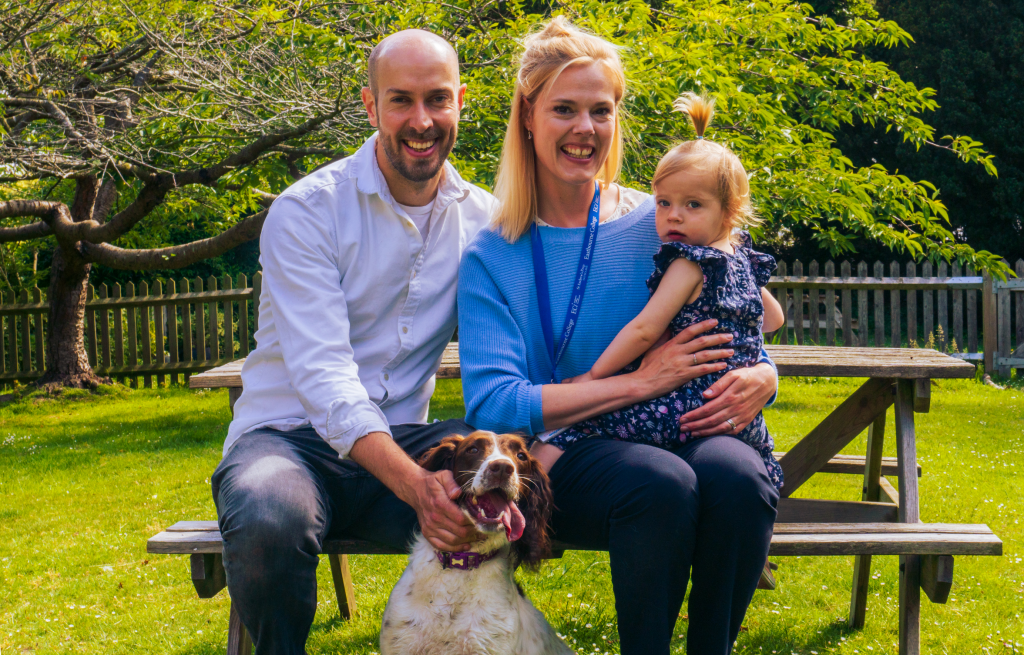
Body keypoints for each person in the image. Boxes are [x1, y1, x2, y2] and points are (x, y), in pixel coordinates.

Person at [457, 17, 780, 655]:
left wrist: (765, 376)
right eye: (565, 110)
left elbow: (742, 313)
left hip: (683, 421)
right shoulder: (492, 255)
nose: (585, 130)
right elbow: (494, 405)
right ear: (528, 116)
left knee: (739, 480)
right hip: (568, 452)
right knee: (661, 484)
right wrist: (637, 381)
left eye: (600, 111)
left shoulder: (664, 218)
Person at [211, 30, 496, 654]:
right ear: (370, 106)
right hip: (288, 440)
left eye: (437, 100)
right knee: (269, 517)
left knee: (498, 478)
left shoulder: (485, 220)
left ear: (460, 103)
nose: (420, 122)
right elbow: (324, 377)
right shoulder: (308, 211)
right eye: (401, 101)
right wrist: (417, 485)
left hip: (401, 438)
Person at [549, 92, 787, 490]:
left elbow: (644, 330)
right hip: (735, 413)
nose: (673, 215)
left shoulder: (690, 263)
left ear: (729, 212)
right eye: (663, 202)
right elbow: (774, 319)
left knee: (572, 429)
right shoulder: (741, 256)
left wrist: (592, 377)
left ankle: (530, 505)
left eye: (693, 204)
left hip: (681, 405)